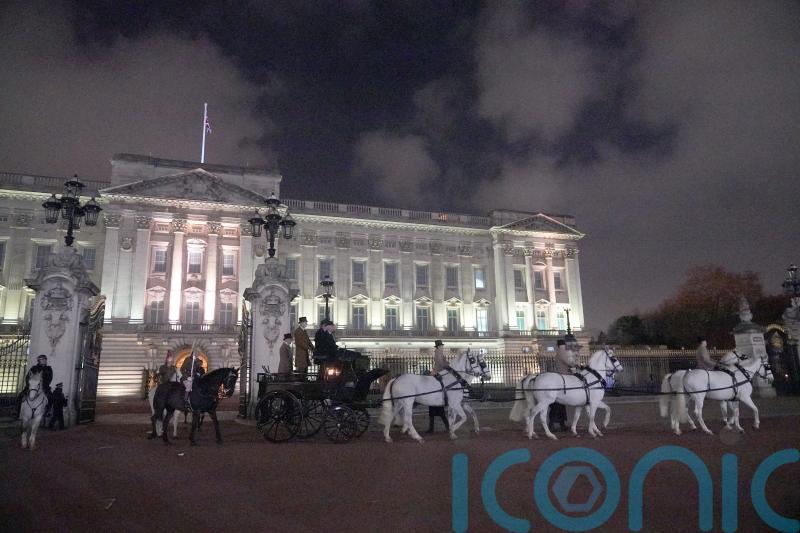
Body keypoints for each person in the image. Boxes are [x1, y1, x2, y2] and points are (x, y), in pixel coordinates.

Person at [550, 340, 575, 432]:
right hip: (564, 378)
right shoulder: (562, 352)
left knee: (561, 404)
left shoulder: (560, 352)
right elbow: (570, 363)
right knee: (559, 404)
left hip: (563, 376)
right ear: (563, 345)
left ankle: (561, 423)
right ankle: (554, 423)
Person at [428, 340, 451, 433]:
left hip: (440, 372)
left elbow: (443, 362)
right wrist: (449, 365)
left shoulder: (440, 352)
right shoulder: (438, 352)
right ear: (438, 347)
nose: (442, 347)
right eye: (441, 345)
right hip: (438, 373)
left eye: (442, 345)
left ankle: (432, 428)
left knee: (437, 411)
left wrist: (448, 364)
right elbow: (441, 363)